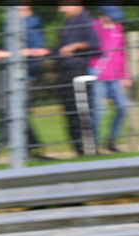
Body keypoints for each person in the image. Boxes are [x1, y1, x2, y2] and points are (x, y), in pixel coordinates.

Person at [0, 4, 50, 159]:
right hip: (4, 74)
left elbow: (38, 50)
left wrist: (4, 54)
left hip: (22, 76)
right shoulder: (12, 24)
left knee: (14, 112)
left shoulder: (32, 23)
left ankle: (30, 148)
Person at [35, 2, 99, 156]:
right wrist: (47, 51)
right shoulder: (68, 21)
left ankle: (88, 149)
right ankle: (79, 148)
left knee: (81, 110)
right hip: (65, 71)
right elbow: (62, 48)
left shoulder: (84, 19)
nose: (59, 6)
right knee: (70, 110)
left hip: (77, 70)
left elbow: (95, 43)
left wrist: (76, 46)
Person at [88, 5, 131, 152]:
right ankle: (93, 144)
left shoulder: (118, 28)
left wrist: (125, 75)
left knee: (123, 107)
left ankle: (112, 140)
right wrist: (103, 27)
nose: (113, 18)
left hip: (116, 76)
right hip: (98, 73)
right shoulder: (94, 26)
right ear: (103, 14)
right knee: (99, 111)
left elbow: (121, 52)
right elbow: (100, 46)